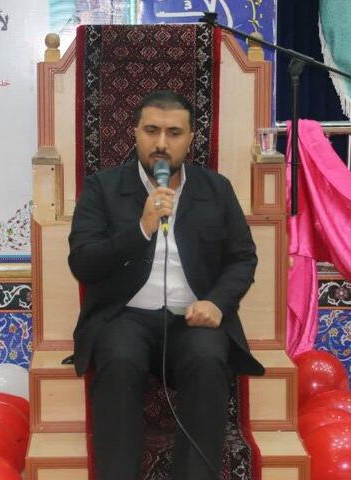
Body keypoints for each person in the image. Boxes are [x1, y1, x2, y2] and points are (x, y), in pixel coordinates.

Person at [68, 90, 265, 480]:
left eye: (173, 133)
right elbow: (83, 263)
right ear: (135, 133)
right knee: (118, 359)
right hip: (124, 316)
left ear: (191, 138)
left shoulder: (216, 189)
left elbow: (242, 258)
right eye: (151, 130)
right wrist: (141, 228)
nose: (161, 143)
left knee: (208, 360)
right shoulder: (102, 188)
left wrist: (217, 302)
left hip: (193, 316)